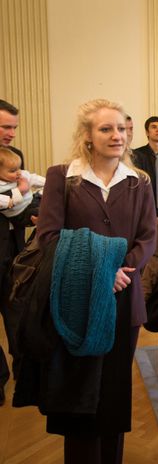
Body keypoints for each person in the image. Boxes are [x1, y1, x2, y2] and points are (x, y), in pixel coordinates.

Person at [36, 99, 156, 462]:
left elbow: (147, 239)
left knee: (115, 391)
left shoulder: (139, 183)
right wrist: (101, 272)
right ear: (87, 136)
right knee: (80, 391)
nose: (116, 136)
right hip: (78, 300)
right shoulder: (62, 177)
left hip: (124, 299)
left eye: (121, 128)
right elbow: (48, 238)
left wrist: (121, 273)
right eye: (106, 129)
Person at [0, 99, 25, 406]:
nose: (11, 134)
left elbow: (19, 200)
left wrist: (31, 213)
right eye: (6, 127)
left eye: (14, 128)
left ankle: (25, 373)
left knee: (19, 318)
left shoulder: (12, 158)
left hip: (14, 255)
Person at [0, 147, 45, 219]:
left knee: (47, 197)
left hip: (31, 201)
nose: (18, 172)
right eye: (13, 171)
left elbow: (33, 178)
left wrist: (49, 182)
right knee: (41, 211)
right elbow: (4, 201)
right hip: (19, 213)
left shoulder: (20, 175)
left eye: (19, 168)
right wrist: (18, 193)